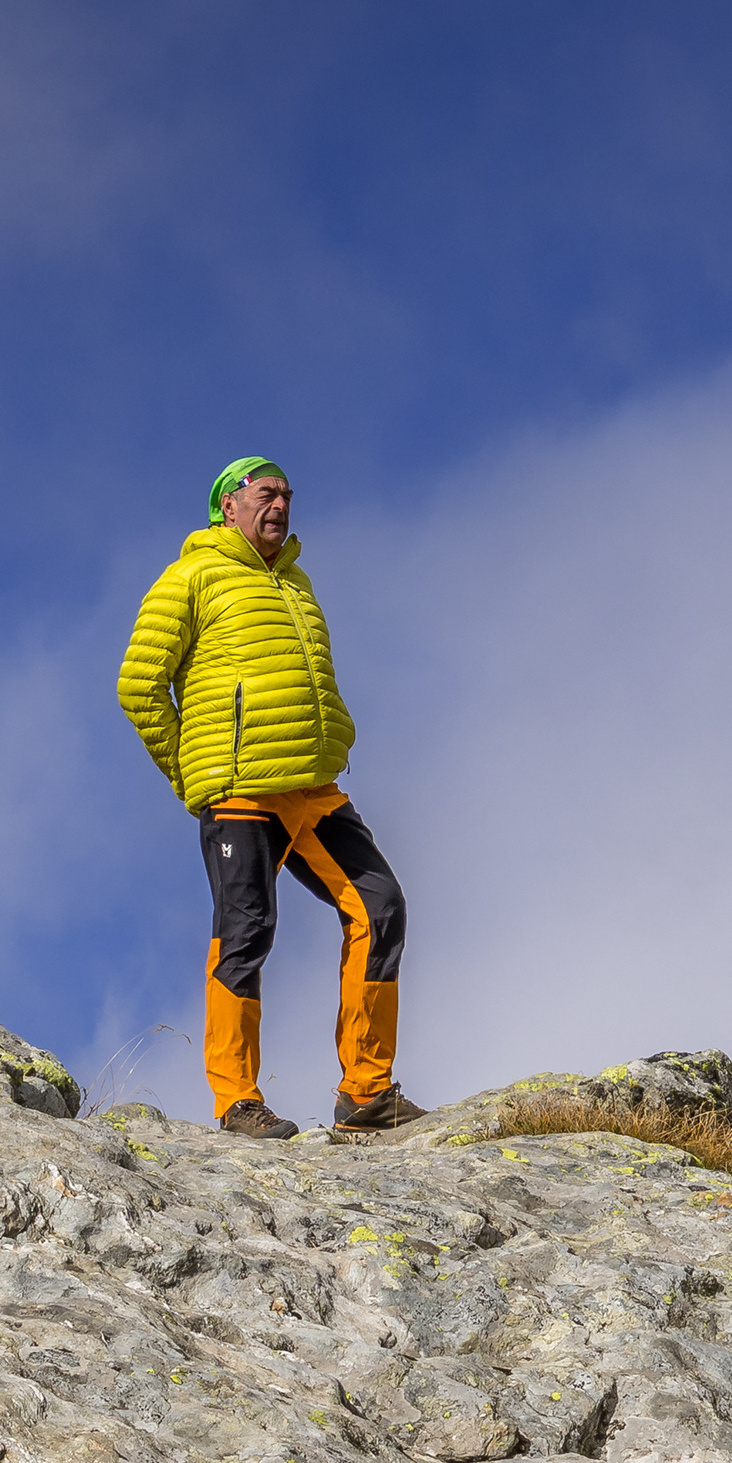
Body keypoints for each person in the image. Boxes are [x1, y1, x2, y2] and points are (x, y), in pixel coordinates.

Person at [115, 456, 422, 1143]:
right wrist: (192, 772)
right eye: (265, 493)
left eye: (286, 494)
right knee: (245, 931)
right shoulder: (191, 575)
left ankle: (367, 1094)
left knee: (381, 908)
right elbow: (138, 684)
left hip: (314, 788)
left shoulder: (296, 582)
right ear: (228, 505)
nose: (279, 504)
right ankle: (237, 1102)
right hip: (242, 789)